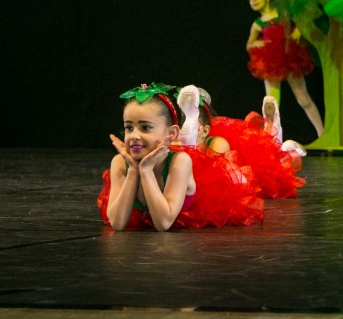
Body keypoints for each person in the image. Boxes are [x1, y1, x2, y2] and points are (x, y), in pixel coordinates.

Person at [97, 83, 263, 231]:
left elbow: (163, 223)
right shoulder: (120, 162)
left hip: (199, 206)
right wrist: (134, 169)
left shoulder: (180, 161)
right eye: (129, 127)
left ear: (171, 132)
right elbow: (117, 223)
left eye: (146, 127)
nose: (134, 135)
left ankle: (192, 126)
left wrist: (146, 170)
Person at [177, 86, 305, 199]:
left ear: (205, 131)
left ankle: (277, 137)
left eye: (189, 124)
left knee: (272, 171)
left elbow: (218, 177)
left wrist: (196, 147)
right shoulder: (177, 142)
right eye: (183, 123)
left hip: (242, 179)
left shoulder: (217, 143)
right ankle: (280, 145)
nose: (183, 129)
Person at [245, 0, 325, 141]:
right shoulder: (257, 24)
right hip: (270, 63)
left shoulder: (282, 13)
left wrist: (298, 31)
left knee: (303, 98)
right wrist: (257, 43)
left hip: (290, 58)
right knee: (271, 103)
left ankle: (322, 134)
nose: (254, 0)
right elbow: (249, 45)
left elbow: (302, 21)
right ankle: (271, 140)